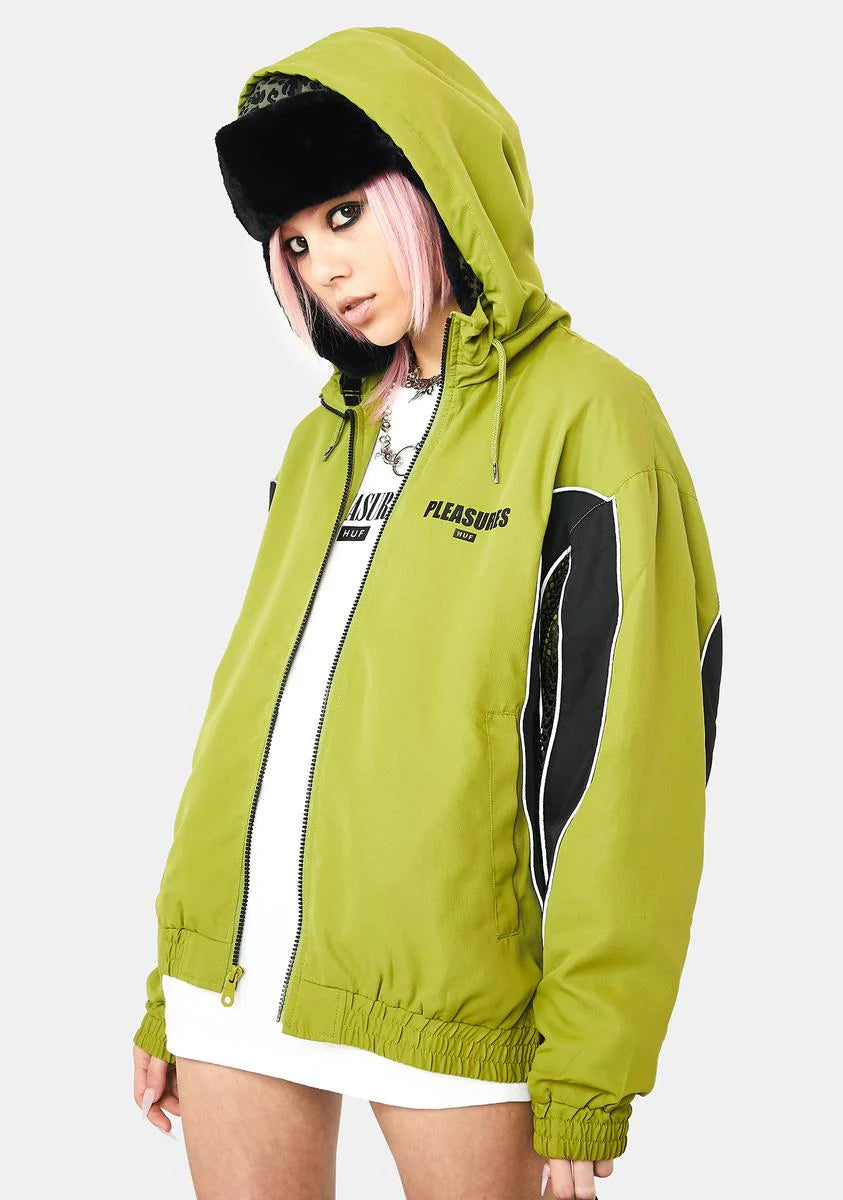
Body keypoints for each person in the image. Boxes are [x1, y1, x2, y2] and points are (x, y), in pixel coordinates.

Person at [131, 27, 723, 1200]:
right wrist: (172, 980)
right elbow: (249, 711)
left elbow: (629, 761)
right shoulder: (324, 438)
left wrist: (593, 1060)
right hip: (236, 988)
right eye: (295, 243)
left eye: (346, 214)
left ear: (434, 183)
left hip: (454, 1001)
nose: (325, 269)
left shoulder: (590, 415)